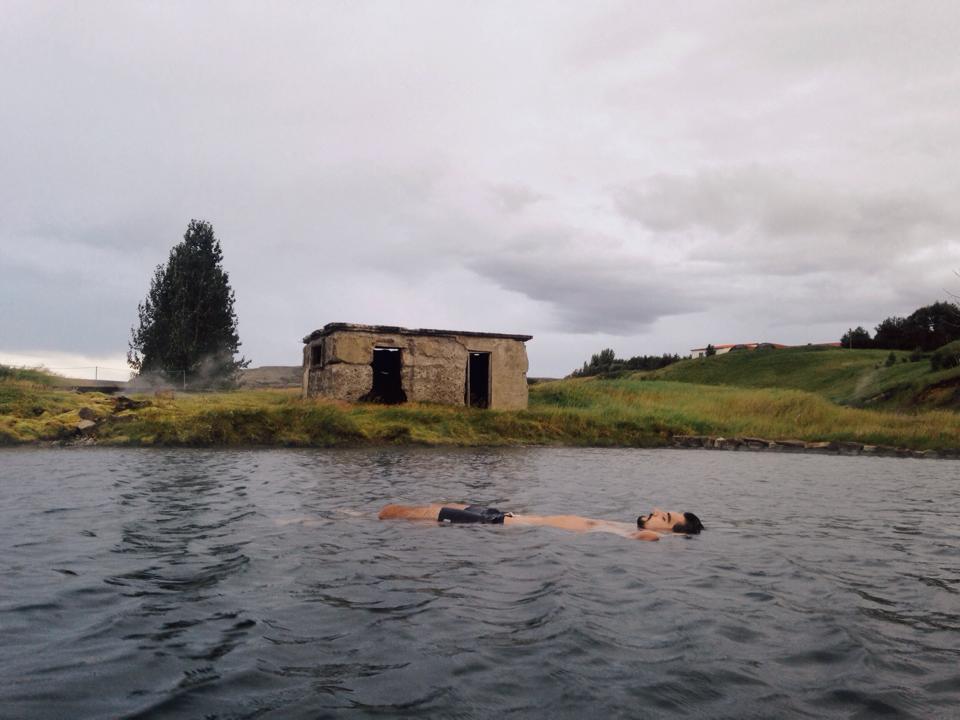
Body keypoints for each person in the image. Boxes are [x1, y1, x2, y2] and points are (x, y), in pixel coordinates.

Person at [377, 503, 703, 541]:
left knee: (397, 512)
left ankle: (362, 519)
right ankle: (358, 517)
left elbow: (651, 539)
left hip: (500, 524)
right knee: (431, 507)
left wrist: (665, 539)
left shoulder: (639, 536)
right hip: (505, 515)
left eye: (665, 517)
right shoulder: (623, 527)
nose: (657, 510)